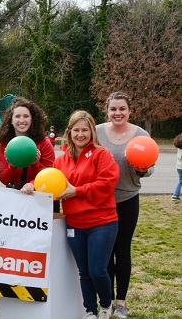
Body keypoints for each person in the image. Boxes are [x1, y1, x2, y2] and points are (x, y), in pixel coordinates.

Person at [22, 110, 119, 319]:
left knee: (97, 271)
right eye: (76, 130)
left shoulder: (102, 155)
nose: (81, 134)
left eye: (85, 130)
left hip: (102, 222)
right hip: (75, 224)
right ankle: (90, 311)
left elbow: (107, 183)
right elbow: (48, 181)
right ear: (69, 132)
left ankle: (106, 304)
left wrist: (78, 190)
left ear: (92, 132)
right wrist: (31, 185)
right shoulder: (62, 160)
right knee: (83, 272)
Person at [96, 91, 154, 318]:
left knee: (123, 249)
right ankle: (107, 301)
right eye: (113, 109)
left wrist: (143, 170)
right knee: (106, 252)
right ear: (107, 111)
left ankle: (121, 302)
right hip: (102, 200)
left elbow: (149, 167)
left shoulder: (141, 135)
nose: (117, 113)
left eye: (122, 109)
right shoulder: (98, 132)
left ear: (129, 111)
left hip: (128, 198)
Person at [0, 97, 58, 212]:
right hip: (16, 199)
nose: (22, 120)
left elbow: (50, 175)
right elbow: (4, 179)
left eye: (26, 116)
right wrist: (13, 164)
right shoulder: (4, 146)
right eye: (17, 116)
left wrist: (35, 165)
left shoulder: (44, 143)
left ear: (32, 119)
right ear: (11, 120)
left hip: (41, 198)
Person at [171, 133, 182, 201]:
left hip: (179, 167)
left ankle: (175, 195)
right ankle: (175, 195)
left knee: (180, 181)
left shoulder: (179, 148)